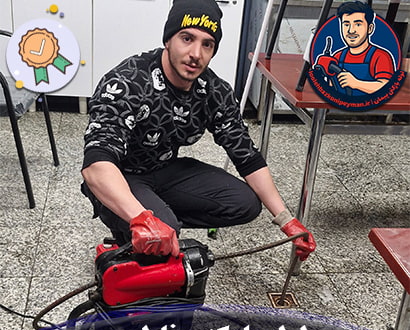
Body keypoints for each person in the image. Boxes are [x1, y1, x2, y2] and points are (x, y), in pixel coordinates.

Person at [81, 0, 316, 261]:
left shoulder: (213, 90)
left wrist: (287, 221)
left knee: (245, 203)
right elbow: (95, 166)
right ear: (168, 40)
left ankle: (159, 219)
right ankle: (132, 224)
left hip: (165, 169)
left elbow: (246, 156)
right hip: (120, 175)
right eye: (187, 38)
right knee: (163, 228)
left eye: (207, 44)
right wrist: (141, 218)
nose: (196, 53)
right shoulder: (127, 82)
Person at [333, 1, 395, 95]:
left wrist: (356, 83)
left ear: (370, 28)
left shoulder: (380, 56)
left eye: (358, 24)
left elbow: (387, 88)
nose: (351, 31)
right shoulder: (337, 56)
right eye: (346, 24)